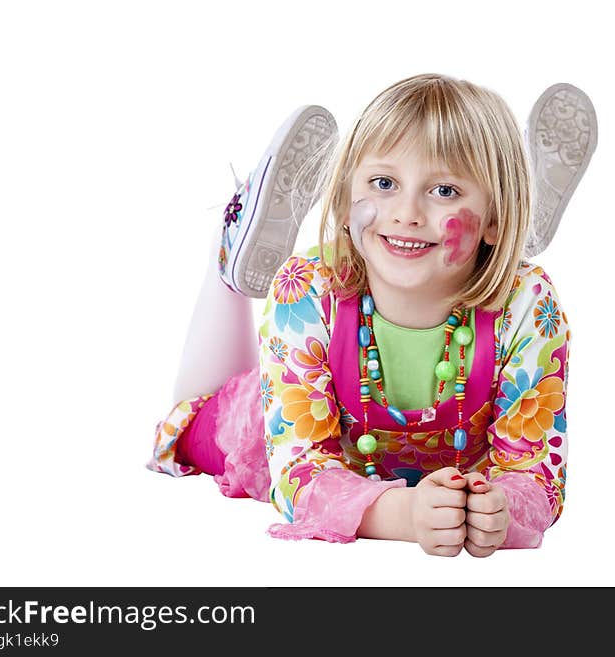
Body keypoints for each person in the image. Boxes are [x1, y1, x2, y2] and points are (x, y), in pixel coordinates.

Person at [148, 73, 583, 557]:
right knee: (190, 418)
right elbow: (299, 475)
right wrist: (404, 514)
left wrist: (503, 511)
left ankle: (508, 184)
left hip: (417, 455)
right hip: (276, 418)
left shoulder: (526, 303)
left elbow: (537, 474)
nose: (407, 213)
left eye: (444, 191)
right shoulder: (310, 289)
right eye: (383, 183)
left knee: (501, 267)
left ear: (496, 218)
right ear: (344, 195)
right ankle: (228, 249)